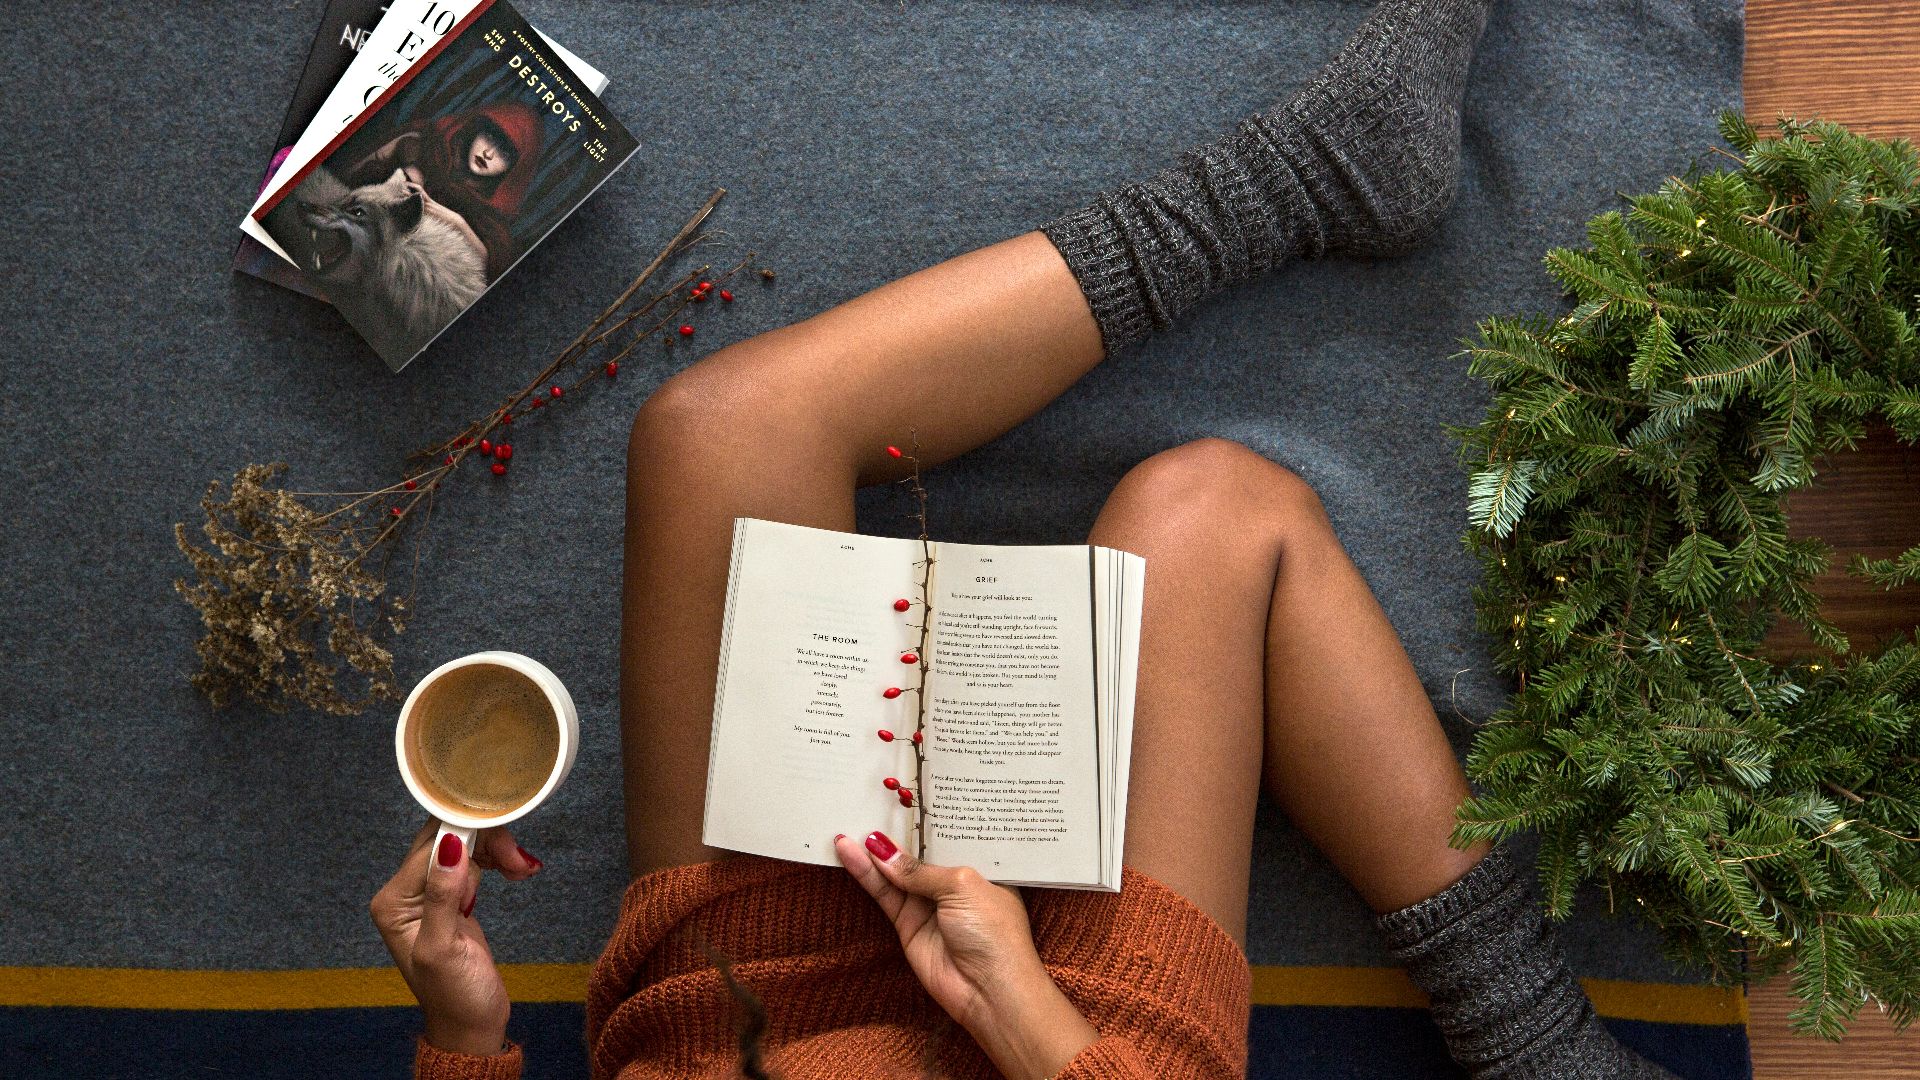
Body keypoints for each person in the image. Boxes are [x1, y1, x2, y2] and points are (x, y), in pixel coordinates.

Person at [370, 1, 1677, 1076]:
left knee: (718, 430)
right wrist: (1027, 1020)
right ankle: (1538, 1042)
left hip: (743, 1016)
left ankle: (1310, 180)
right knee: (1215, 509)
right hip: (1069, 1051)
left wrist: (462, 1035)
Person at [344, 102, 545, 280]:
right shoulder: (430, 145)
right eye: (489, 136)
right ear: (477, 129)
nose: (488, 153)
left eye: (504, 152)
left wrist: (457, 222)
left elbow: (490, 271)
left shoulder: (490, 218)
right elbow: (353, 173)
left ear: (514, 169)